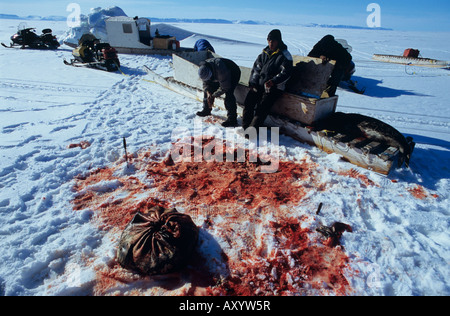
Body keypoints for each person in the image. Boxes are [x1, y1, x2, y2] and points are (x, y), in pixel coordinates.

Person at [242, 29, 293, 130]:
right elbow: (256, 69)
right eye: (269, 41)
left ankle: (252, 131)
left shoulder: (285, 55)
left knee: (262, 108)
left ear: (278, 41)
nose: (271, 43)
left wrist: (273, 81)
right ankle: (245, 127)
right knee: (249, 101)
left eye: (273, 41)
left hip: (275, 87)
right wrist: (253, 83)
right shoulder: (264, 53)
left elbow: (286, 73)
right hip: (260, 84)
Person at [197, 57, 241, 127]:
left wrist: (214, 95)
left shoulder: (221, 70)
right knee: (208, 91)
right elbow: (205, 84)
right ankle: (206, 110)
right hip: (216, 74)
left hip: (233, 72)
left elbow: (225, 87)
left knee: (229, 93)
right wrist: (208, 92)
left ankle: (232, 119)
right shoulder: (203, 70)